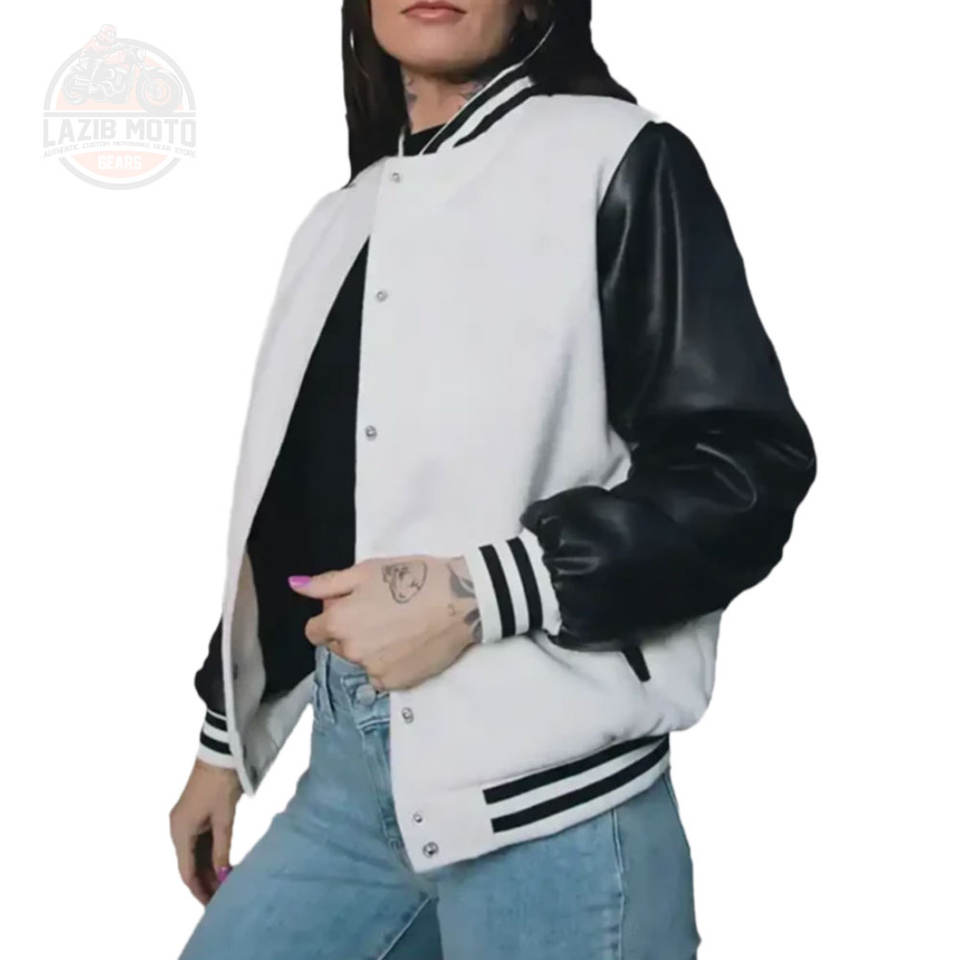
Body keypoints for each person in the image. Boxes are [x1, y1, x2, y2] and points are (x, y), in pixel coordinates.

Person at [171, 1, 817, 957]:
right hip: (349, 785)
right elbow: (299, 507)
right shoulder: (340, 219)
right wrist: (223, 742)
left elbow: (741, 469)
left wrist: (479, 594)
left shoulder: (616, 156)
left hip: (555, 801)